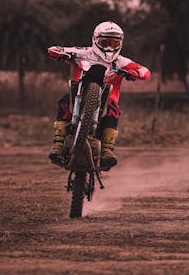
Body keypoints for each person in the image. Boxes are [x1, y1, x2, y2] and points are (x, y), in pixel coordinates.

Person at [47, 21, 151, 171]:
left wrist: (134, 73)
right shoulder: (83, 52)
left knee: (113, 109)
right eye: (105, 42)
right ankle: (58, 144)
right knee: (64, 101)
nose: (109, 47)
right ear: (95, 40)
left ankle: (107, 150)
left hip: (108, 100)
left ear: (120, 44)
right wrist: (61, 53)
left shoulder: (121, 62)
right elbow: (54, 49)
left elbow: (146, 72)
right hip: (78, 96)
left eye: (114, 44)